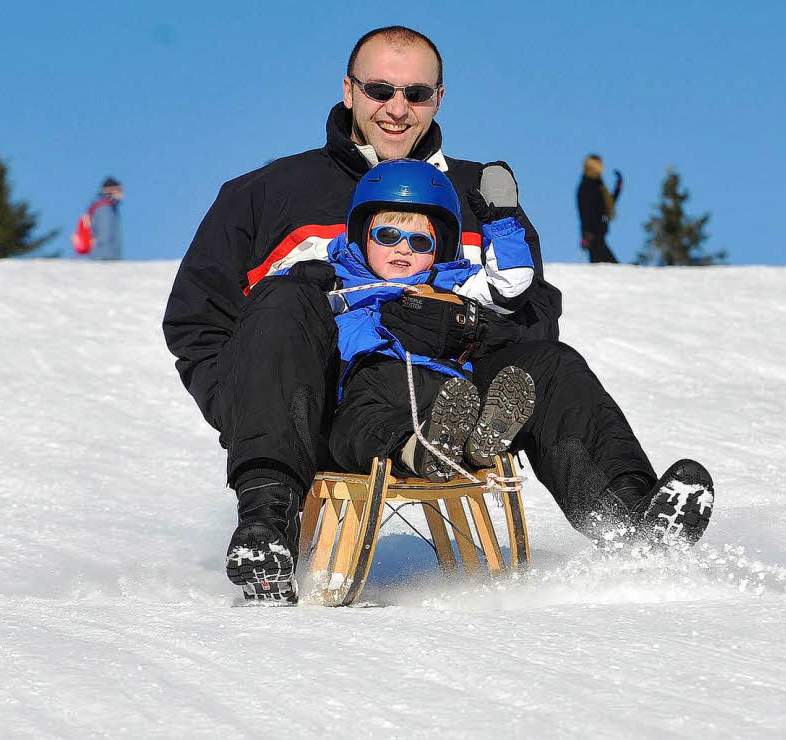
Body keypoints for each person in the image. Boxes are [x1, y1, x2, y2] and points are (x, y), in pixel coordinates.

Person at [163, 26, 715, 604]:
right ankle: (266, 529)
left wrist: (464, 329)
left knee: (551, 363)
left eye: (416, 94)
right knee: (284, 298)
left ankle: (633, 528)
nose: (397, 109)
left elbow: (533, 315)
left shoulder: (481, 195)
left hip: (462, 411)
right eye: (379, 89)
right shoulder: (267, 194)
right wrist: (254, 411)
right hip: (328, 413)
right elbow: (198, 324)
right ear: (348, 90)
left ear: (439, 98)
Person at [288, 159, 538, 484]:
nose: (403, 249)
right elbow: (277, 312)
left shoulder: (450, 283)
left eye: (420, 242)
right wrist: (297, 281)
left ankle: (479, 438)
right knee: (357, 424)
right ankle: (418, 450)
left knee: (453, 405)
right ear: (363, 235)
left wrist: (502, 223)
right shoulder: (339, 280)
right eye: (388, 235)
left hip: (442, 386)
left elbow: (509, 285)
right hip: (366, 383)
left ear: (439, 249)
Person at [576, 155, 622, 263]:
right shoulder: (587, 186)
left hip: (599, 234)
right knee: (608, 268)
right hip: (593, 235)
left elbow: (606, 207)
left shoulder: (598, 185)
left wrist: (618, 188)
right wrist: (586, 234)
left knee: (608, 267)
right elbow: (585, 212)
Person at [86, 177, 124, 260]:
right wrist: (108, 258)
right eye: (119, 191)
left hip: (105, 257)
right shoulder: (105, 209)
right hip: (105, 258)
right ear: (110, 191)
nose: (121, 195)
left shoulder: (108, 208)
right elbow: (104, 235)